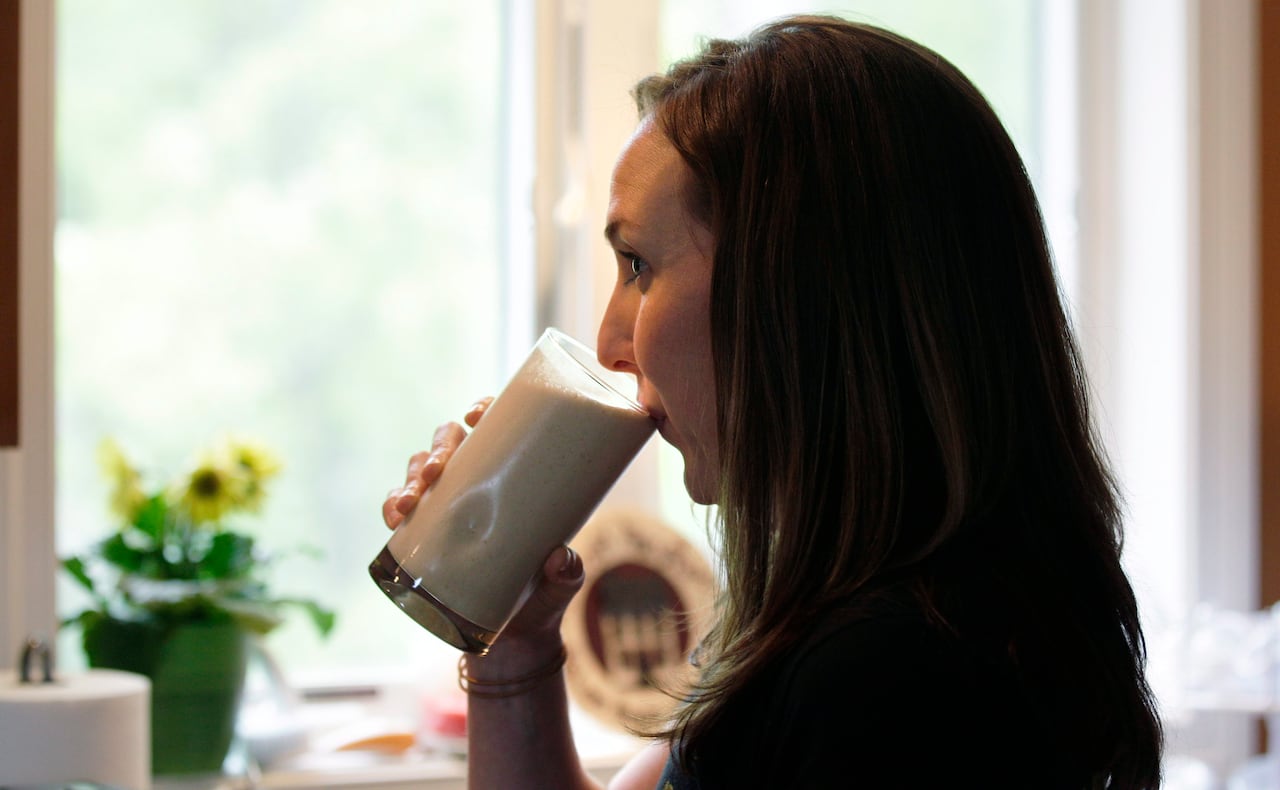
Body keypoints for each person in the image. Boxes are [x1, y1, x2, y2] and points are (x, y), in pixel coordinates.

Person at [382, 14, 1164, 789]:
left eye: (639, 265)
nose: (612, 339)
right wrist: (517, 643)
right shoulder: (880, 620)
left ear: (796, 294)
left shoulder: (885, 684)